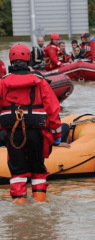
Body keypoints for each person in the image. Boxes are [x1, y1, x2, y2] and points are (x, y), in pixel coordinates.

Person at [0, 44, 62, 204]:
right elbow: (53, 110)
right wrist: (56, 135)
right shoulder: (40, 81)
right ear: (28, 59)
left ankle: (20, 210)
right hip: (37, 134)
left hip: (13, 134)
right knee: (38, 171)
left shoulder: (2, 83)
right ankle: (39, 205)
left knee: (18, 172)